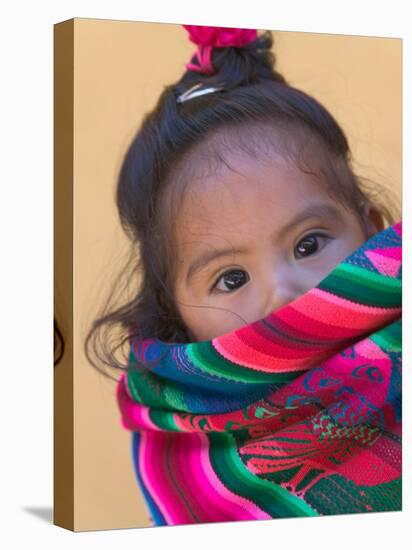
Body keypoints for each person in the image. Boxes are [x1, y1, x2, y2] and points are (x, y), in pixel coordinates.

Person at [84, 25, 402, 526]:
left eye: (308, 244)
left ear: (373, 231)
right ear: (177, 315)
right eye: (231, 279)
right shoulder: (188, 451)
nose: (283, 293)